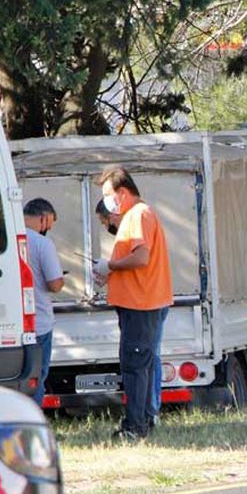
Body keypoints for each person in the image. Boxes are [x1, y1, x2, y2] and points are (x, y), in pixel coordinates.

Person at [92, 165, 172, 440]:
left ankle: (134, 427)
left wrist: (110, 265)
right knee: (142, 366)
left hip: (141, 303)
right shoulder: (137, 215)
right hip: (140, 302)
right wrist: (111, 272)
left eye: (107, 194)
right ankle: (144, 421)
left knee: (135, 367)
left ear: (122, 193)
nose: (106, 201)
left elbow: (141, 258)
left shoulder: (137, 215)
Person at [21, 198, 65, 406]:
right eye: (51, 223)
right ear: (44, 218)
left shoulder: (8, 237)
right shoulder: (42, 243)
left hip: (12, 324)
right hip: (39, 323)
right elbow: (54, 284)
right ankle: (33, 420)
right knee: (37, 378)